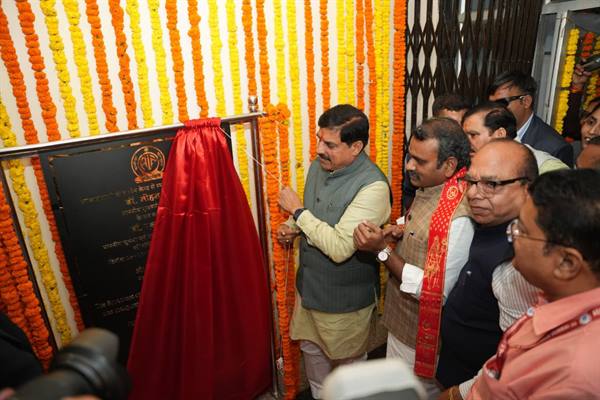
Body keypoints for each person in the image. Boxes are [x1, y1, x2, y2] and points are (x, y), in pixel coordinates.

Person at [353, 118, 473, 399]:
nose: (409, 166)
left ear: (449, 165)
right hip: (402, 323)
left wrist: (381, 251)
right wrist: (399, 228)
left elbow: (434, 290)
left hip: (421, 338)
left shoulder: (458, 219)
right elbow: (424, 225)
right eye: (410, 156)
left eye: (420, 161)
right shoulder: (435, 187)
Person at [277, 104, 391, 399]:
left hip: (344, 303)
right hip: (309, 290)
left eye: (329, 144)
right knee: (313, 355)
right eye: (319, 139)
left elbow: (340, 247)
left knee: (348, 373)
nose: (319, 150)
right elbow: (315, 214)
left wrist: (297, 212)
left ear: (356, 147)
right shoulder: (320, 166)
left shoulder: (373, 187)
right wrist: (292, 225)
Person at [466, 169, 600, 399]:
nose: (511, 236)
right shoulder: (556, 296)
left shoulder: (574, 373)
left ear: (566, 263)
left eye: (522, 230)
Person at [436, 139, 540, 398]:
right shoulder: (490, 223)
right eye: (471, 182)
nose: (473, 193)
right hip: (454, 366)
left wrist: (460, 393)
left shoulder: (520, 259)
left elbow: (515, 355)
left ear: (527, 188)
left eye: (491, 184)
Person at [488, 71, 573, 166]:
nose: (494, 110)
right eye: (491, 104)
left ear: (526, 101)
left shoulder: (554, 148)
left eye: (502, 103)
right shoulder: (487, 132)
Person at [462, 102, 568, 173]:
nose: (466, 142)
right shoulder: (468, 165)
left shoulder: (546, 169)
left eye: (473, 135)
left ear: (500, 134)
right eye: (464, 135)